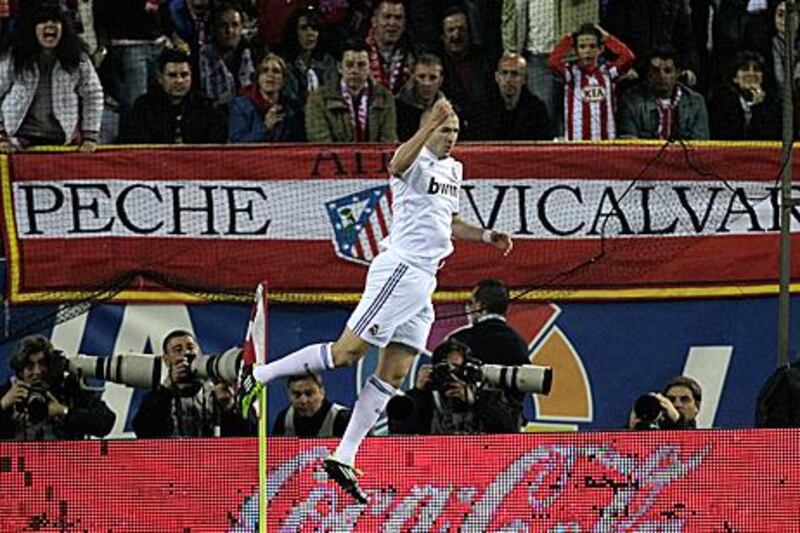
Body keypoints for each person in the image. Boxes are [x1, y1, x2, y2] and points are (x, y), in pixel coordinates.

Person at [239, 97, 513, 503]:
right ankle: (260, 375)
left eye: (455, 132)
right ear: (429, 128)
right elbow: (395, 165)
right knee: (347, 352)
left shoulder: (454, 169)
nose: (451, 138)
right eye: (444, 130)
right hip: (400, 269)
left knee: (395, 373)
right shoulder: (413, 160)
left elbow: (450, 221)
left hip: (425, 280)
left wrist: (488, 236)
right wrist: (425, 128)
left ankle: (344, 455)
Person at [0, 2, 103, 152]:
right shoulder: (14, 57)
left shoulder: (78, 58)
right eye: (43, 21)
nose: (49, 25)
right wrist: (1, 135)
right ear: (32, 28)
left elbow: (93, 94)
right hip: (19, 140)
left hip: (62, 142)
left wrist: (90, 136)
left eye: (55, 21)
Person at [132, 329, 254, 438]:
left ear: (199, 352)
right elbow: (144, 433)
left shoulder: (216, 393)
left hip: (211, 461)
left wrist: (228, 407)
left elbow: (248, 437)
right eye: (178, 350)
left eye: (190, 348)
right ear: (166, 360)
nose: (186, 353)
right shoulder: (157, 397)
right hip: (170, 461)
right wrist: (166, 389)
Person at [388, 338, 522, 435]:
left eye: (457, 369)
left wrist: (476, 401)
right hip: (435, 466)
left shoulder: (488, 395)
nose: (452, 376)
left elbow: (510, 430)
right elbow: (398, 431)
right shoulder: (426, 398)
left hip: (481, 466)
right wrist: (418, 393)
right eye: (445, 369)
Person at [449, 278, 531, 430]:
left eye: (471, 302)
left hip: (465, 430)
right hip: (506, 431)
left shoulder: (460, 340)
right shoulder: (518, 342)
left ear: (479, 306)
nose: (469, 308)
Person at [0, 335, 116, 440]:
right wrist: (3, 404)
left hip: (64, 460)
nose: (37, 372)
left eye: (42, 363)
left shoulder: (67, 388)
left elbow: (105, 422)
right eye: (29, 366)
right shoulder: (7, 393)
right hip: (18, 461)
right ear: (20, 369)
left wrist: (64, 411)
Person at [120, 47, 227, 144]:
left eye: (184, 75)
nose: (179, 81)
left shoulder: (206, 106)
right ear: (160, 78)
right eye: (172, 75)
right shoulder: (143, 108)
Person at [548, 23, 634, 140]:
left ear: (601, 49)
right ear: (576, 50)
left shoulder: (608, 72)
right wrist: (569, 37)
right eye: (582, 47)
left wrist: (607, 38)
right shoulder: (571, 73)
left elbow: (628, 57)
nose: (587, 51)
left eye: (592, 46)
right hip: (577, 145)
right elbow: (553, 62)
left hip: (606, 144)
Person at [304, 38, 397, 143]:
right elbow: (320, 143)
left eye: (361, 65)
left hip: (374, 159)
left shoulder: (385, 97)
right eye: (349, 65)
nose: (355, 71)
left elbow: (388, 141)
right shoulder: (319, 99)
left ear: (369, 67)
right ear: (340, 67)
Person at [618, 47, 710, 141]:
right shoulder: (631, 101)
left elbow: (700, 146)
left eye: (667, 71)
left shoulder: (695, 102)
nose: (661, 76)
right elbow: (629, 144)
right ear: (648, 74)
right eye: (655, 71)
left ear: (678, 73)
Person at [469, 52, 553, 141]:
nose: (509, 79)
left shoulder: (537, 109)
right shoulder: (480, 108)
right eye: (504, 73)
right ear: (497, 77)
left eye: (514, 74)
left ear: (525, 79)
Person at [228, 53, 304, 142]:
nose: (270, 75)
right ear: (258, 78)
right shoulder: (240, 106)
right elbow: (238, 144)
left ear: (284, 80)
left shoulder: (293, 108)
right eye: (265, 70)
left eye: (276, 71)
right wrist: (265, 127)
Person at [710, 50, 781, 140]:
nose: (751, 74)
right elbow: (728, 136)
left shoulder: (773, 104)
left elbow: (770, 138)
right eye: (745, 69)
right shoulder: (721, 102)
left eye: (756, 69)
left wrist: (759, 107)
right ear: (734, 78)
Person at [197, 1, 254, 108]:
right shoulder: (200, 59)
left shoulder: (254, 55)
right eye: (223, 25)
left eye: (235, 25)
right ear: (213, 29)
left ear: (242, 28)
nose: (230, 31)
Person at [272, 373, 351, 438]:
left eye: (309, 393)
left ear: (322, 392)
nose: (303, 400)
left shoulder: (342, 418)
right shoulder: (284, 419)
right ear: (289, 394)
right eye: (297, 394)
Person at [365, 0, 414, 95]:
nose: (392, 23)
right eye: (387, 17)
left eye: (398, 18)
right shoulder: (359, 51)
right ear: (374, 21)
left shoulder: (413, 53)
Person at [395, 53, 446, 141]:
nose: (426, 83)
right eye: (421, 77)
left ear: (441, 80)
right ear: (413, 76)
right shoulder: (396, 108)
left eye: (433, 77)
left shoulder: (449, 111)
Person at [627, 375, 702, 430]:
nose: (677, 404)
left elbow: (690, 444)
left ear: (697, 407)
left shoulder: (704, 441)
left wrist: (677, 419)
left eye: (684, 400)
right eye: (671, 400)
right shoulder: (653, 432)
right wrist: (631, 428)